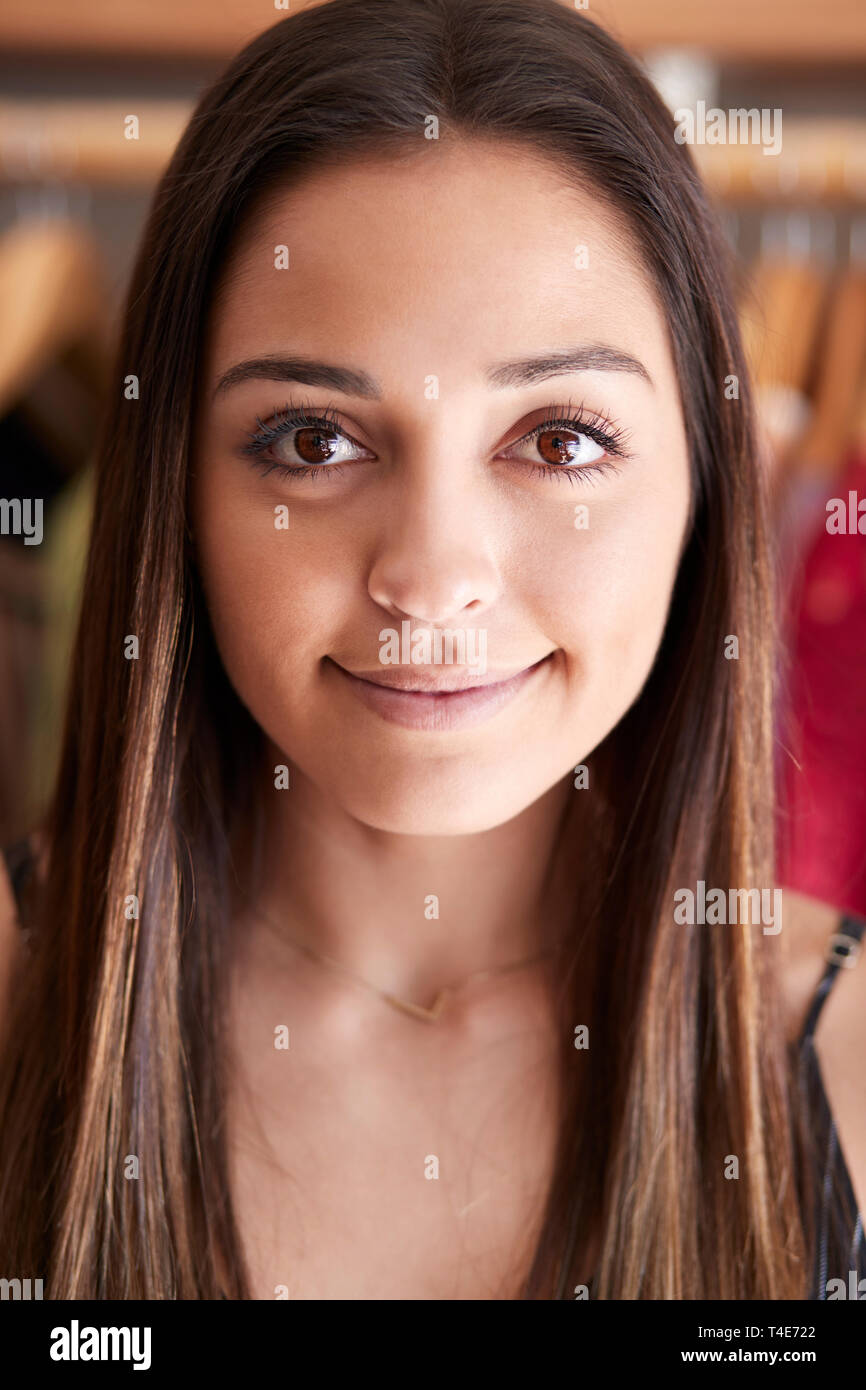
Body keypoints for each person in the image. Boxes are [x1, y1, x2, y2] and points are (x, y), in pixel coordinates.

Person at [0, 0, 863, 1300]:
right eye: (310, 440)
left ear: (706, 482)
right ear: (173, 487)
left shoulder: (848, 1059)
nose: (432, 575)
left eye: (558, 440)